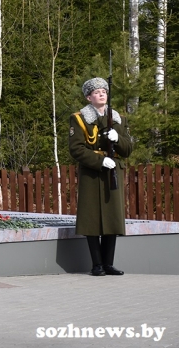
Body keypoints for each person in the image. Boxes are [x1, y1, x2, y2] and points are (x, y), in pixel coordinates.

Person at [69, 77, 132, 277]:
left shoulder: (117, 118)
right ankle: (97, 264)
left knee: (112, 218)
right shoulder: (79, 118)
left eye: (104, 91)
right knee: (92, 218)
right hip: (93, 173)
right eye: (96, 92)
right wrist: (99, 161)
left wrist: (118, 139)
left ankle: (109, 264)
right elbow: (76, 149)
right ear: (89, 97)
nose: (102, 93)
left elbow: (129, 148)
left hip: (113, 171)